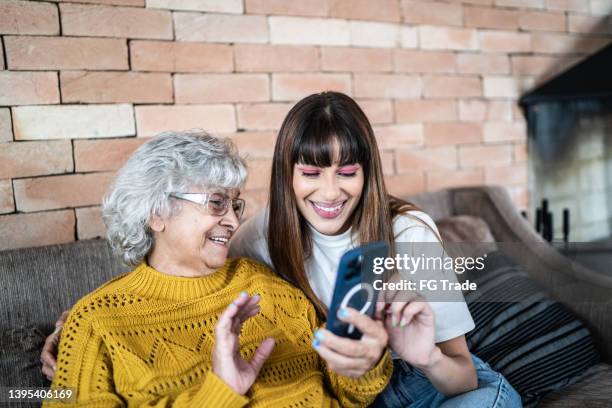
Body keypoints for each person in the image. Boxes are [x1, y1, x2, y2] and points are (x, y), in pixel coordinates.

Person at [43, 131, 392, 407]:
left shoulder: (265, 283)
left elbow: (350, 396)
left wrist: (364, 363)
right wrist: (220, 390)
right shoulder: (96, 322)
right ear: (156, 213)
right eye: (216, 203)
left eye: (234, 204)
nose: (232, 220)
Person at [228, 92, 522, 407]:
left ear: (367, 173)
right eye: (311, 173)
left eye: (347, 172)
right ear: (288, 176)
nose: (329, 192)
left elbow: (464, 378)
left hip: (424, 382)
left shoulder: (409, 232)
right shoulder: (261, 239)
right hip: (342, 392)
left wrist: (427, 358)